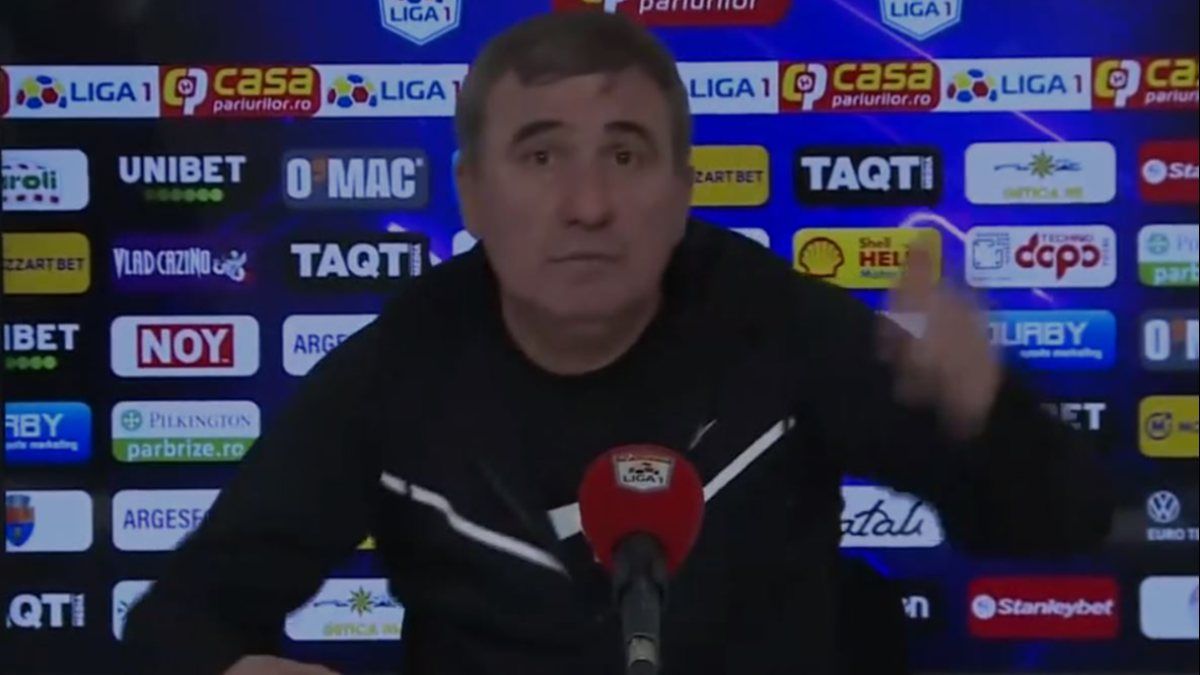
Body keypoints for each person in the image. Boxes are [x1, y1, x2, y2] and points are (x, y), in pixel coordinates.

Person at [124, 11, 1113, 675]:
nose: (588, 204)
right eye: (541, 155)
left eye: (627, 155)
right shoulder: (399, 369)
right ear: (472, 195)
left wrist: (986, 416)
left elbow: (1059, 522)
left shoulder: (779, 325)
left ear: (683, 191)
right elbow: (179, 617)